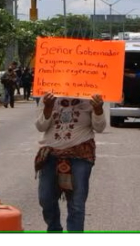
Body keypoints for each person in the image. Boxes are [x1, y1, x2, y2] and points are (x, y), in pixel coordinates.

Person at [34, 92, 106, 232]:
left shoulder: (90, 95)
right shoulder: (48, 95)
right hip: (51, 153)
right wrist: (48, 107)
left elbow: (100, 127)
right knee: (46, 199)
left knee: (76, 204)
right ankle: (54, 230)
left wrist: (98, 109)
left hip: (80, 154)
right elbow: (41, 126)